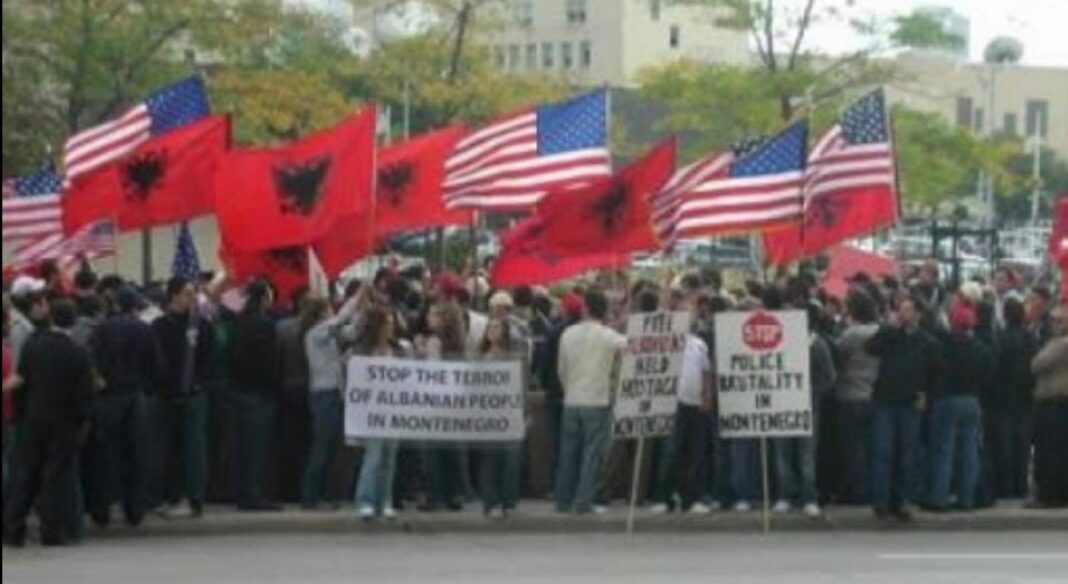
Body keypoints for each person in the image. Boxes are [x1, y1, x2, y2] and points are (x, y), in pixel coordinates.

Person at [3, 300, 94, 547]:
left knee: (27, 475)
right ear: (73, 321)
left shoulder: (34, 345)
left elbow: (21, 383)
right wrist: (82, 422)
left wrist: (21, 415)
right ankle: (51, 530)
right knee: (55, 478)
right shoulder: (78, 353)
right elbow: (85, 395)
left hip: (34, 419)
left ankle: (13, 528)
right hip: (64, 423)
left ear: (51, 318)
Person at [84, 285, 159, 528]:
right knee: (136, 455)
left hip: (107, 397)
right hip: (134, 396)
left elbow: (90, 361)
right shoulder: (144, 330)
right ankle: (134, 509)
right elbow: (156, 365)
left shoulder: (101, 330)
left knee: (104, 455)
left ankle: (101, 509)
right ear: (135, 306)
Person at [865, 295, 942, 521]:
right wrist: (889, 328)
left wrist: (926, 395)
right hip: (885, 401)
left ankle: (902, 500)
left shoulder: (928, 342)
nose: (903, 314)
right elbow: (870, 347)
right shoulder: (890, 336)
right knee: (883, 452)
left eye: (908, 310)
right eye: (901, 310)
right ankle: (881, 500)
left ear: (918, 313)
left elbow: (936, 374)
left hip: (910, 403)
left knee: (906, 454)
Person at [555, 290, 627, 515]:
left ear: (585, 308)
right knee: (591, 455)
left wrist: (569, 388)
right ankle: (583, 501)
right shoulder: (608, 335)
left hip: (571, 399)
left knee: (568, 453)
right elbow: (631, 347)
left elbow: (561, 369)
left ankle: (563, 500)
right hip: (597, 399)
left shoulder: (567, 333)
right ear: (604, 311)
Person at [151, 277, 215, 517]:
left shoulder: (201, 326)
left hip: (194, 394)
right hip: (166, 395)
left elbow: (209, 357)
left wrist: (199, 381)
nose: (192, 298)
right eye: (187, 293)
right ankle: (169, 495)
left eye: (194, 294)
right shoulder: (159, 326)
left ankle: (194, 497)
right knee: (167, 448)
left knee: (194, 448)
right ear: (174, 295)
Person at [926, 300, 991, 512]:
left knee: (944, 450)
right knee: (970, 451)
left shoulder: (944, 345)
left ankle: (939, 497)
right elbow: (986, 375)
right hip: (972, 401)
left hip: (948, 399)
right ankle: (967, 498)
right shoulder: (981, 348)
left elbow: (934, 370)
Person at [774, 302, 837, 518]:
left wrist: (809, 391)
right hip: (782, 405)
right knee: (783, 454)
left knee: (806, 455)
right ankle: (785, 495)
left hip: (808, 407)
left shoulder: (817, 345)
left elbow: (829, 378)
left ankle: (809, 497)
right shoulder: (779, 344)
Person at [301, 294, 360, 509]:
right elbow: (340, 320)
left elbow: (351, 331)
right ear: (320, 314)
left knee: (334, 447)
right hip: (323, 394)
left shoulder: (329, 336)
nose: (332, 313)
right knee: (321, 447)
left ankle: (328, 495)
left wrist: (361, 311)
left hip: (334, 393)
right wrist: (357, 299)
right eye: (328, 310)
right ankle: (310, 497)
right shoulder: (315, 333)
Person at [229, 279, 281, 511]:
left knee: (243, 448)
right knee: (257, 449)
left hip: (239, 389)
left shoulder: (239, 321)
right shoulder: (264, 324)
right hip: (260, 392)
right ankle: (254, 494)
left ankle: (243, 492)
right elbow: (270, 360)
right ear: (264, 298)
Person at [354, 306, 407, 520]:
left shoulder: (399, 350)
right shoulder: (362, 351)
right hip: (371, 412)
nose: (390, 328)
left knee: (389, 458)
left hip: (393, 410)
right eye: (386, 324)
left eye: (392, 324)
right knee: (373, 456)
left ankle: (385, 501)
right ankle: (366, 501)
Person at [416, 302, 468, 512]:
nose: (429, 318)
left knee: (431, 451)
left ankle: (434, 495)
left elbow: (432, 371)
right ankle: (455, 493)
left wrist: (421, 351)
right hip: (453, 401)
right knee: (452, 449)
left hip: (434, 402)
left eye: (433, 314)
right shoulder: (459, 344)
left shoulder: (434, 342)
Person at [832, 290, 880, 505]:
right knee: (871, 447)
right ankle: (871, 488)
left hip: (850, 395)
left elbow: (838, 359)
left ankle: (854, 491)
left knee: (851, 448)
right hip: (874, 394)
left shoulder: (851, 335)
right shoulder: (880, 331)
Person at [989, 297, 1036, 499]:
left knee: (1005, 443)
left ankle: (1006, 487)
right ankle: (1021, 486)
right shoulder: (1029, 337)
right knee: (1022, 444)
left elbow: (996, 368)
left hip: (1003, 397)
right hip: (1025, 397)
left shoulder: (1001, 337)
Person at [538, 292, 584, 494]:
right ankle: (576, 486)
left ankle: (559, 488)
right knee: (578, 444)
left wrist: (546, 385)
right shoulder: (583, 332)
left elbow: (545, 365)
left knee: (558, 444)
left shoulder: (555, 332)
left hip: (556, 395)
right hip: (579, 394)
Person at [478, 316, 523, 518]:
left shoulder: (513, 357)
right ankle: (491, 501)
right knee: (490, 459)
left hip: (510, 413)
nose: (492, 331)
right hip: (488, 414)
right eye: (490, 327)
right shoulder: (482, 357)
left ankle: (509, 500)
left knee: (511, 460)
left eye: (496, 327)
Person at [1029, 305, 1068, 508]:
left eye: (1059, 321)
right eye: (1053, 320)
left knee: (1050, 451)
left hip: (1054, 401)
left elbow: (1037, 363)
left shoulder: (1061, 344)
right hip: (1056, 402)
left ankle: (1049, 494)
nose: (1054, 325)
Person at [274, 289, 311, 504]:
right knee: (306, 441)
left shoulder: (282, 327)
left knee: (288, 441)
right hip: (307, 387)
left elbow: (276, 357)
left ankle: (287, 489)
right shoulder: (314, 328)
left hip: (287, 388)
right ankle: (303, 489)